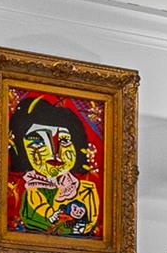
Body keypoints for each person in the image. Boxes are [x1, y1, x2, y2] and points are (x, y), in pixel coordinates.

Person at [7, 94, 101, 236]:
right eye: (38, 142)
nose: (54, 152)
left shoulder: (86, 191)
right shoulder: (31, 192)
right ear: (22, 148)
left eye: (64, 141)